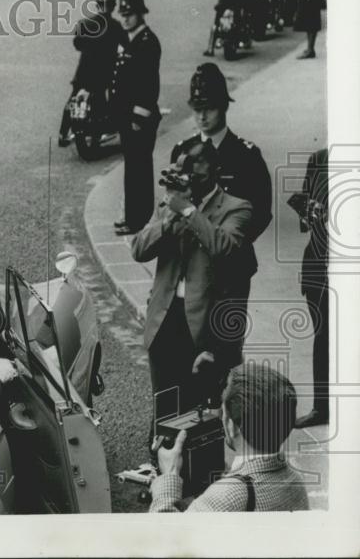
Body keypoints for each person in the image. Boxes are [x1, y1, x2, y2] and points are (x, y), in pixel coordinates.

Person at [132, 139, 253, 433]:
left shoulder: (237, 208)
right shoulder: (171, 203)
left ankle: (196, 472)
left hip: (206, 326)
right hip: (166, 317)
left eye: (198, 173)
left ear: (215, 171)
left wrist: (188, 211)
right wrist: (170, 217)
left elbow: (224, 247)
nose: (192, 179)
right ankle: (161, 464)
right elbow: (139, 249)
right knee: (165, 404)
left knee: (201, 410)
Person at [171, 63, 272, 369]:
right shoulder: (182, 151)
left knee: (224, 356)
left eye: (210, 108)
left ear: (224, 107)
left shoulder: (245, 155)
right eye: (197, 108)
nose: (202, 116)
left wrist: (227, 240)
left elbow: (261, 213)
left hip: (231, 271)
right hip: (190, 269)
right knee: (186, 355)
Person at [150, 363, 309, 511]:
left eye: (223, 414)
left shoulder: (227, 496)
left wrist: (169, 477)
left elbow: (167, 536)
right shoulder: (296, 483)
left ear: (232, 427)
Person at [109, 0, 161, 235]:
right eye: (123, 14)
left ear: (140, 13)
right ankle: (133, 214)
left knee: (139, 168)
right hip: (126, 115)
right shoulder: (129, 40)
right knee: (132, 166)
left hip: (139, 117)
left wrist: (138, 116)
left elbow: (148, 85)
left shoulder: (147, 42)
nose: (125, 18)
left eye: (129, 14)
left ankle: (139, 219)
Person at [288, 148, 329, 428]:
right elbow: (305, 219)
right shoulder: (318, 159)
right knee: (323, 333)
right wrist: (310, 212)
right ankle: (321, 406)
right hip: (318, 262)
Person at [58, 0, 123, 146]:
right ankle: (100, 132)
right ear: (113, 5)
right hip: (104, 73)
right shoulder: (116, 26)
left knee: (73, 99)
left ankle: (63, 132)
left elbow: (77, 44)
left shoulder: (85, 23)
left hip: (84, 71)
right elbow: (125, 45)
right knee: (104, 98)